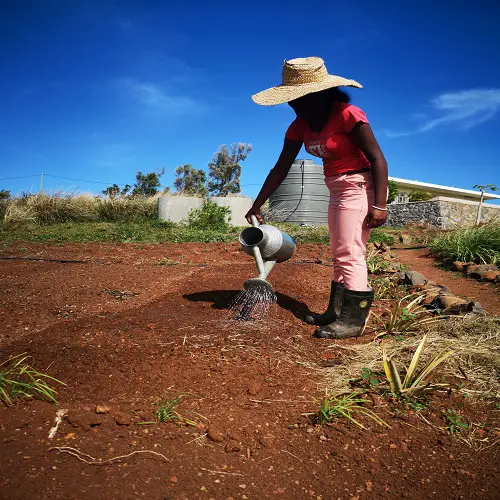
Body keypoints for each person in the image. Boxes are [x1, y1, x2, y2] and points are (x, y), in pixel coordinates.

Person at [246, 57, 388, 339]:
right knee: (338, 254)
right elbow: (281, 167)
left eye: (297, 97)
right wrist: (257, 204)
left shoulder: (348, 114)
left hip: (359, 187)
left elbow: (377, 159)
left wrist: (380, 205)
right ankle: (336, 312)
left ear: (318, 94)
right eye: (290, 98)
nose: (292, 104)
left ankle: (353, 321)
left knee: (350, 252)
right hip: (335, 189)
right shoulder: (299, 126)